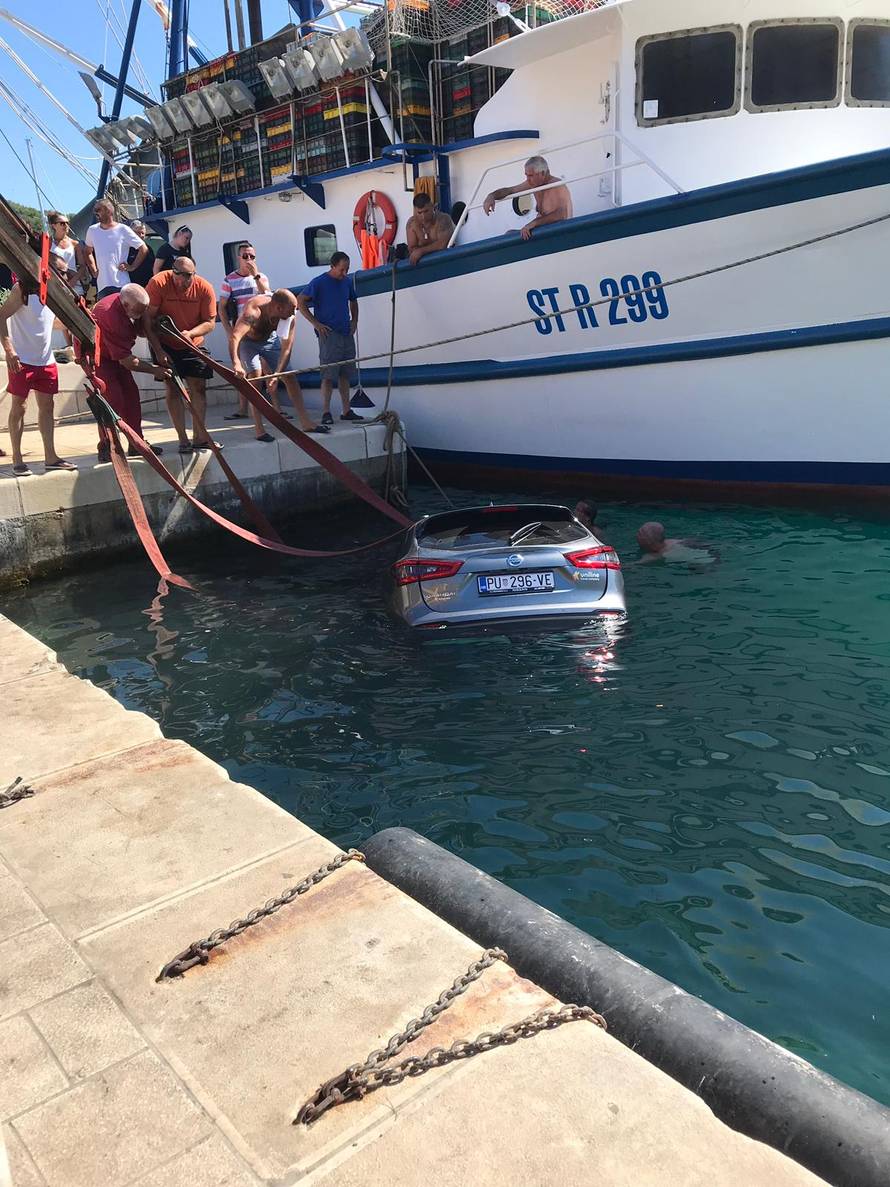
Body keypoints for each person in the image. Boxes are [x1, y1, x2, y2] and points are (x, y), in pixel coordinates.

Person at [0, 253, 76, 475]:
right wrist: (9, 350)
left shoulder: (55, 295)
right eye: (60, 272)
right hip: (22, 359)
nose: (64, 276)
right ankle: (17, 458)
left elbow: (51, 322)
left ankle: (51, 457)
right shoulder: (22, 290)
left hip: (46, 360)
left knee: (47, 407)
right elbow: (0, 317)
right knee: (19, 407)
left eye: (65, 273)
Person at [144, 258, 218, 454]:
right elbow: (147, 320)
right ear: (173, 272)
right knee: (173, 388)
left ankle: (200, 438)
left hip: (192, 343)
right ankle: (183, 439)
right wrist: (159, 351)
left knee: (199, 388)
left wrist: (191, 333)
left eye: (190, 276)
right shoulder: (158, 283)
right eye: (182, 276)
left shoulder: (204, 288)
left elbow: (210, 322)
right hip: (165, 343)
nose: (186, 281)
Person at [91, 284, 171, 463]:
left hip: (117, 353)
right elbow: (128, 361)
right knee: (112, 399)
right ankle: (107, 445)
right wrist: (154, 370)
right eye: (139, 310)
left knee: (131, 396)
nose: (142, 313)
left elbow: (146, 325)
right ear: (126, 305)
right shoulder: (110, 316)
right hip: (98, 356)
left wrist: (159, 352)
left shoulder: (136, 306)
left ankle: (136, 443)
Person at [231, 290, 327, 437]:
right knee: (255, 378)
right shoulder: (253, 312)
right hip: (248, 342)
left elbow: (287, 347)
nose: (293, 314)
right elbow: (235, 337)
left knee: (289, 376)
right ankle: (259, 429)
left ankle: (305, 422)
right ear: (278, 308)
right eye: (291, 310)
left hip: (270, 340)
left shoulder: (289, 316)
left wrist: (277, 374)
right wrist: (236, 363)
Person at [296, 252, 363, 426]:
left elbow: (353, 301)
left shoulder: (347, 282)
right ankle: (326, 411)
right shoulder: (319, 282)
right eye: (342, 269)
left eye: (347, 269)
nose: (344, 273)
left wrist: (354, 321)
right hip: (329, 334)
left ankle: (346, 410)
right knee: (327, 375)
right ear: (332, 266)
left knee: (345, 374)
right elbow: (300, 301)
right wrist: (316, 324)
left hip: (345, 332)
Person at [219, 242, 270, 422]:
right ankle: (243, 408)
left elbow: (268, 296)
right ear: (238, 257)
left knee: (267, 369)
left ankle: (274, 408)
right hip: (243, 330)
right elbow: (222, 307)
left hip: (262, 328)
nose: (248, 259)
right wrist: (228, 329)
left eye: (252, 256)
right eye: (245, 256)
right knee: (243, 370)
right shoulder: (229, 279)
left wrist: (255, 275)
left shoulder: (261, 277)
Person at [482, 155, 573, 241]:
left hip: (557, 233)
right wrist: (491, 196)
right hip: (541, 233)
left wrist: (533, 223)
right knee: (508, 234)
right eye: (526, 175)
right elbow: (511, 190)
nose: (528, 179)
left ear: (543, 173)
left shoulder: (556, 185)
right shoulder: (534, 184)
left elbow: (562, 214)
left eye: (530, 175)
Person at [84, 199, 147, 299]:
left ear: (108, 211)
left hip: (122, 284)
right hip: (102, 286)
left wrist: (132, 267)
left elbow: (143, 249)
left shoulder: (123, 229)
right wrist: (94, 270)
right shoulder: (92, 230)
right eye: (94, 210)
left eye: (98, 209)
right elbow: (87, 252)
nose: (95, 212)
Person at [47, 211, 85, 363]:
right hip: (56, 284)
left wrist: (73, 281)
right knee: (61, 314)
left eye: (67, 223)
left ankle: (77, 347)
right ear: (53, 225)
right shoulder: (48, 244)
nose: (66, 226)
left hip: (73, 284)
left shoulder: (75, 244)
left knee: (78, 313)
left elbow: (82, 266)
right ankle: (69, 346)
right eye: (62, 223)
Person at [637, 521, 719, 566]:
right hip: (698, 549)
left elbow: (635, 565)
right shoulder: (669, 541)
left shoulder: (661, 553)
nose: (637, 535)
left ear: (649, 541)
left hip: (705, 560)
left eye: (641, 534)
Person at [405, 193, 454, 266]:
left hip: (445, 263)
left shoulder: (444, 220)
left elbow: (443, 245)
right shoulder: (412, 224)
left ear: (433, 207)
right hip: (422, 266)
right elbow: (412, 249)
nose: (423, 216)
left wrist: (421, 251)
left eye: (426, 211)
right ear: (415, 210)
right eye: (419, 213)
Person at [127, 221, 156, 287]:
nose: (140, 235)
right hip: (132, 287)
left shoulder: (149, 249)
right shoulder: (125, 249)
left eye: (142, 233)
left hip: (148, 286)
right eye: (137, 232)